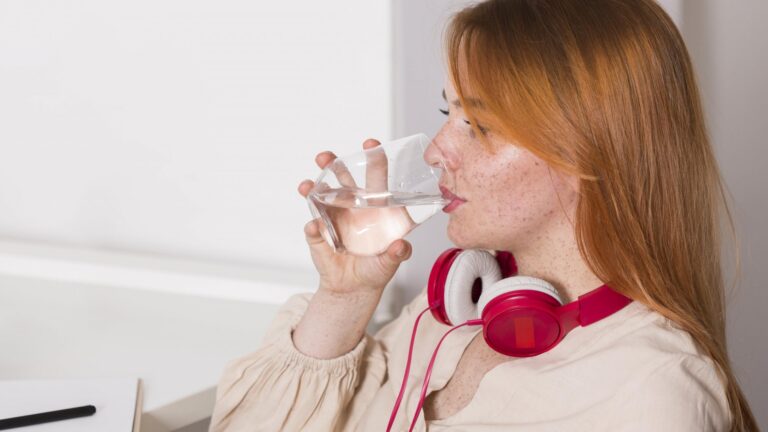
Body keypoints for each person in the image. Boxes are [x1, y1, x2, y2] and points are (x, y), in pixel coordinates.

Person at [208, 0, 758, 431]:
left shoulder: (654, 392)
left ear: (589, 150)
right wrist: (344, 300)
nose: (435, 152)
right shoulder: (447, 310)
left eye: (481, 125)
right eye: (451, 113)